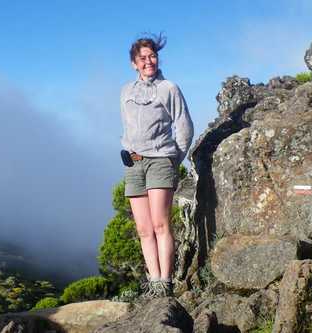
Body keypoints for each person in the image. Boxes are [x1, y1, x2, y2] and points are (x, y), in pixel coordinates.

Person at [120, 34, 194, 298]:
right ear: (134, 63)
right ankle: (153, 281)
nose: (148, 61)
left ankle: (165, 282)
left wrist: (174, 159)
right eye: (143, 58)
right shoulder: (126, 91)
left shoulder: (169, 88)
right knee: (143, 228)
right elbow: (127, 127)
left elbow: (184, 127)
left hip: (161, 161)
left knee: (161, 224)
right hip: (134, 164)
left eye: (152, 56)